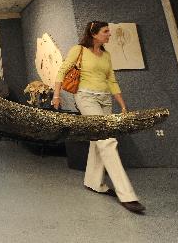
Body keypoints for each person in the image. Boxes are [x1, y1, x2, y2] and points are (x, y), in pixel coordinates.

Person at [52, 21, 146, 214]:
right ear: (94, 34)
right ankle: (127, 195)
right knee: (108, 141)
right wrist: (56, 94)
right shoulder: (78, 50)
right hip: (86, 98)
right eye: (105, 32)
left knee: (98, 141)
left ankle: (93, 182)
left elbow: (111, 79)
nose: (109, 34)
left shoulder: (107, 55)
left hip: (105, 100)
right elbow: (62, 71)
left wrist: (122, 103)